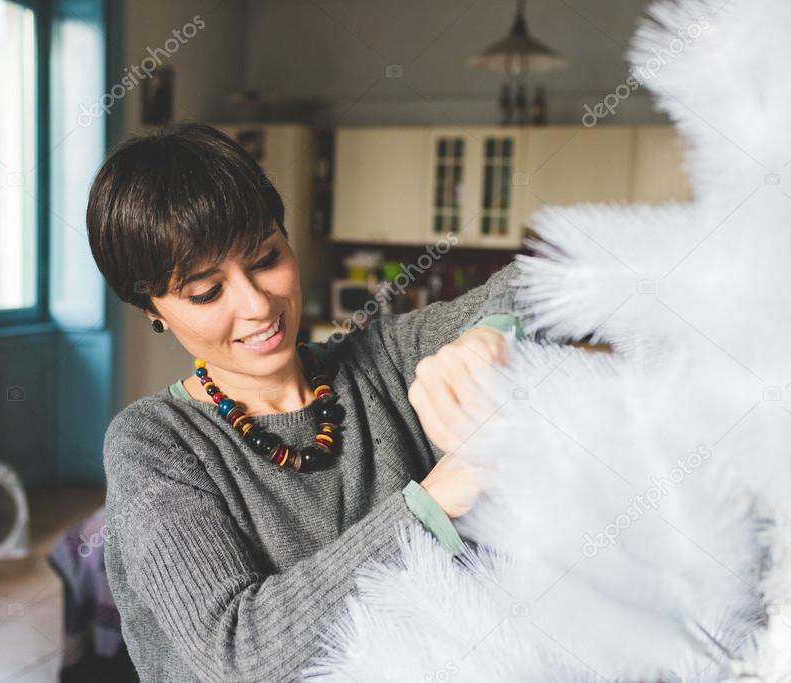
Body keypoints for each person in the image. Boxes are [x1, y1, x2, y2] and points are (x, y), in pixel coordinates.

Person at [86, 122, 523, 682]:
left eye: (266, 258)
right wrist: (429, 507)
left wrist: (492, 332)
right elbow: (239, 656)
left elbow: (554, 277)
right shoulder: (153, 443)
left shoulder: (382, 357)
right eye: (207, 292)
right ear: (152, 307)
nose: (257, 305)